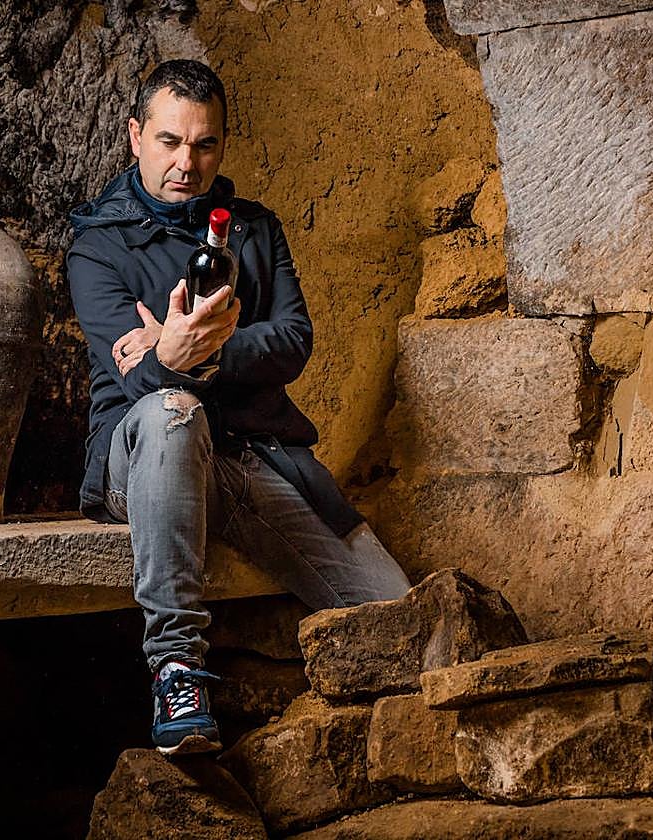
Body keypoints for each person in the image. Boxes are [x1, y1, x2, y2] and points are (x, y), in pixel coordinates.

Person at [67, 59, 411, 756]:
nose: (186, 163)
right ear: (135, 137)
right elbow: (137, 384)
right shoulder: (98, 248)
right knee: (170, 411)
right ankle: (175, 668)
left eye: (204, 144)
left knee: (399, 617)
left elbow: (293, 342)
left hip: (247, 457)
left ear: (222, 144)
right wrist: (173, 363)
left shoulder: (254, 230)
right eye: (169, 141)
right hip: (141, 458)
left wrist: (196, 349)